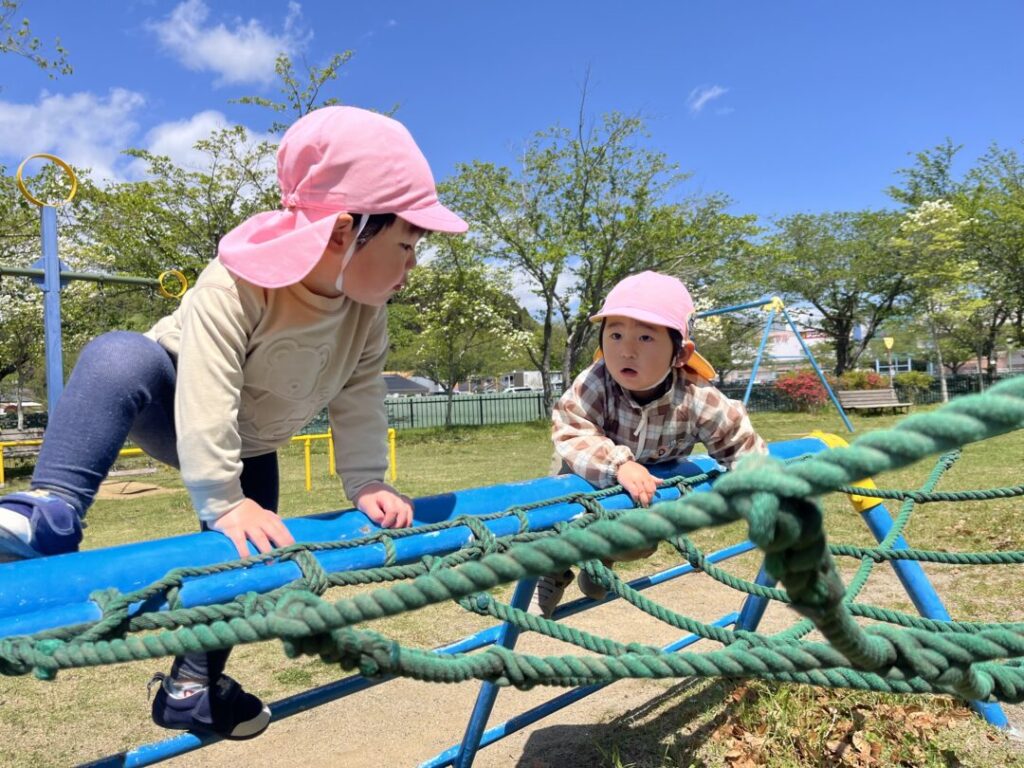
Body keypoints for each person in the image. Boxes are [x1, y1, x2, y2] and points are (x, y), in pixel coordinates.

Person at [0, 106, 467, 738]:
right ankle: (52, 509)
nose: (412, 265)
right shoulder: (240, 281)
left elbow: (360, 395)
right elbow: (208, 386)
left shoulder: (367, 313)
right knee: (119, 354)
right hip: (170, 401)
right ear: (344, 232)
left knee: (247, 560)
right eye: (406, 246)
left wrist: (366, 481)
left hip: (253, 446)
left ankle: (191, 687)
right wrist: (223, 498)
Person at [529, 271, 767, 618]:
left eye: (645, 337)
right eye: (615, 335)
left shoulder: (697, 396)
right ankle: (552, 570)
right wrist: (619, 464)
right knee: (560, 520)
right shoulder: (596, 381)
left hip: (644, 490)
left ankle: (602, 559)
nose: (627, 350)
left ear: (681, 353)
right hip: (585, 467)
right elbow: (571, 428)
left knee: (642, 542)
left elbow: (737, 440)